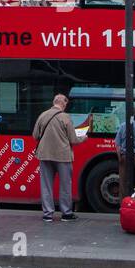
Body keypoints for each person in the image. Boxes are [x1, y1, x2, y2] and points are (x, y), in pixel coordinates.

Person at [32, 93, 85, 222]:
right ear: (63, 103)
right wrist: (84, 137)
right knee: (65, 185)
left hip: (45, 155)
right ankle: (66, 213)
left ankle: (48, 214)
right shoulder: (65, 117)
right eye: (66, 104)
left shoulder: (42, 115)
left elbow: (35, 135)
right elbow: (73, 139)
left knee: (46, 185)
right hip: (63, 156)